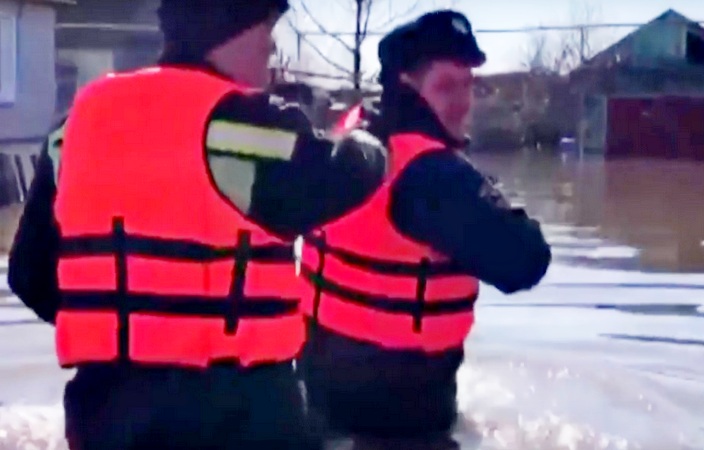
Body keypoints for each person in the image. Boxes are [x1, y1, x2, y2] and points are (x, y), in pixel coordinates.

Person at [7, 1, 386, 449]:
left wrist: (120, 330)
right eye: (265, 24)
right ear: (231, 28)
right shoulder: (243, 122)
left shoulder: (75, 127)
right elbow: (347, 176)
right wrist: (366, 135)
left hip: (106, 411)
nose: (271, 43)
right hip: (236, 415)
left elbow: (29, 274)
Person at [297, 9, 552, 443]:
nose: (463, 101)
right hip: (405, 423)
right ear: (406, 86)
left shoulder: (348, 134)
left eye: (468, 84)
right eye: (446, 86)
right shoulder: (432, 174)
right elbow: (526, 261)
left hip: (318, 404)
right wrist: (485, 191)